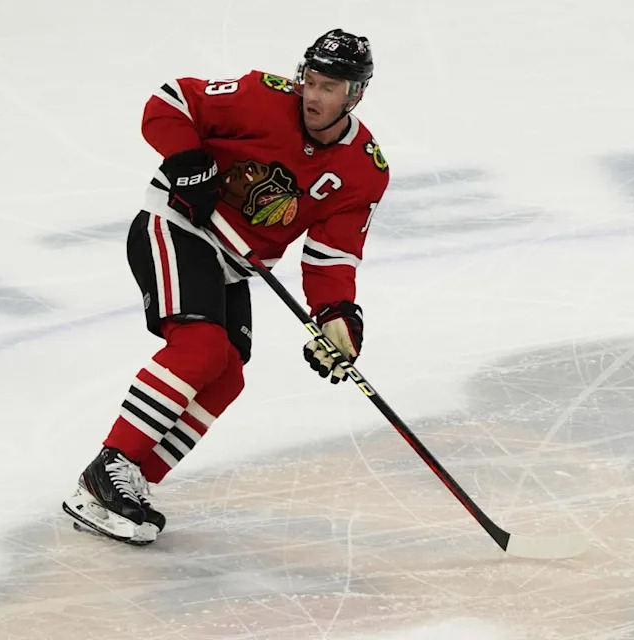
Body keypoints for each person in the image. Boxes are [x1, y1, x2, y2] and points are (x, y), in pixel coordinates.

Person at [62, 28, 390, 545]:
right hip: (176, 225)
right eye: (312, 80)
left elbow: (332, 256)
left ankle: (137, 481)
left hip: (235, 262)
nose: (313, 95)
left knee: (227, 375)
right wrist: (189, 163)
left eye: (330, 88)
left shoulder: (363, 170)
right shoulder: (262, 95)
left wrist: (337, 317)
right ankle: (110, 466)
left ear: (356, 95)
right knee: (200, 347)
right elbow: (168, 102)